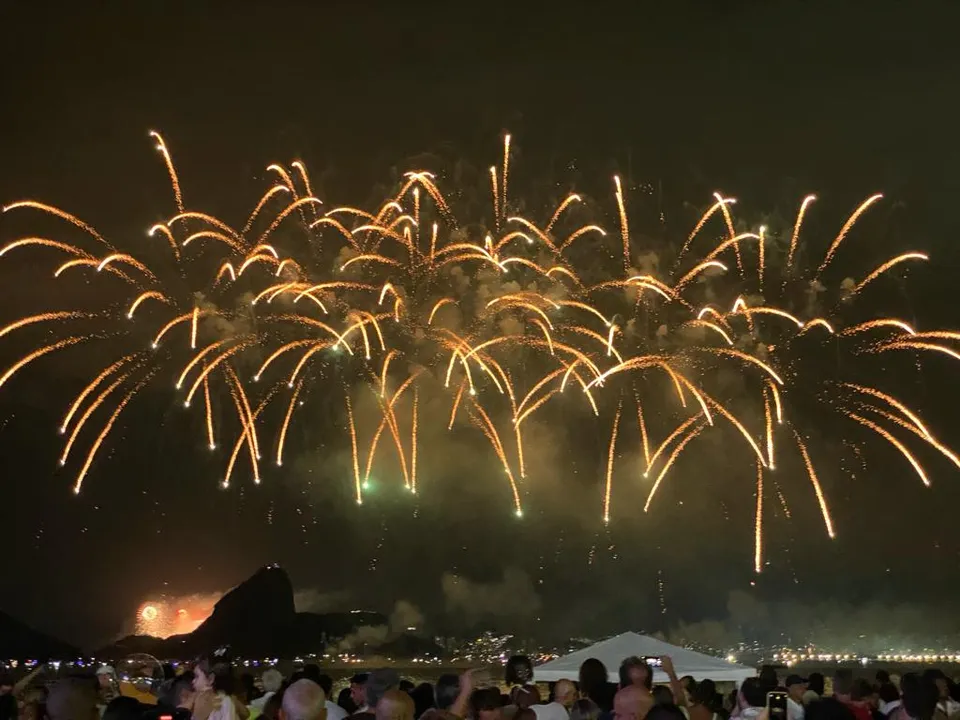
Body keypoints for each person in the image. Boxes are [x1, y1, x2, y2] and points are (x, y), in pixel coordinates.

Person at [193, 655, 239, 720]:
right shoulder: (201, 699)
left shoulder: (224, 702)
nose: (193, 681)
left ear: (211, 679)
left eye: (197, 676)